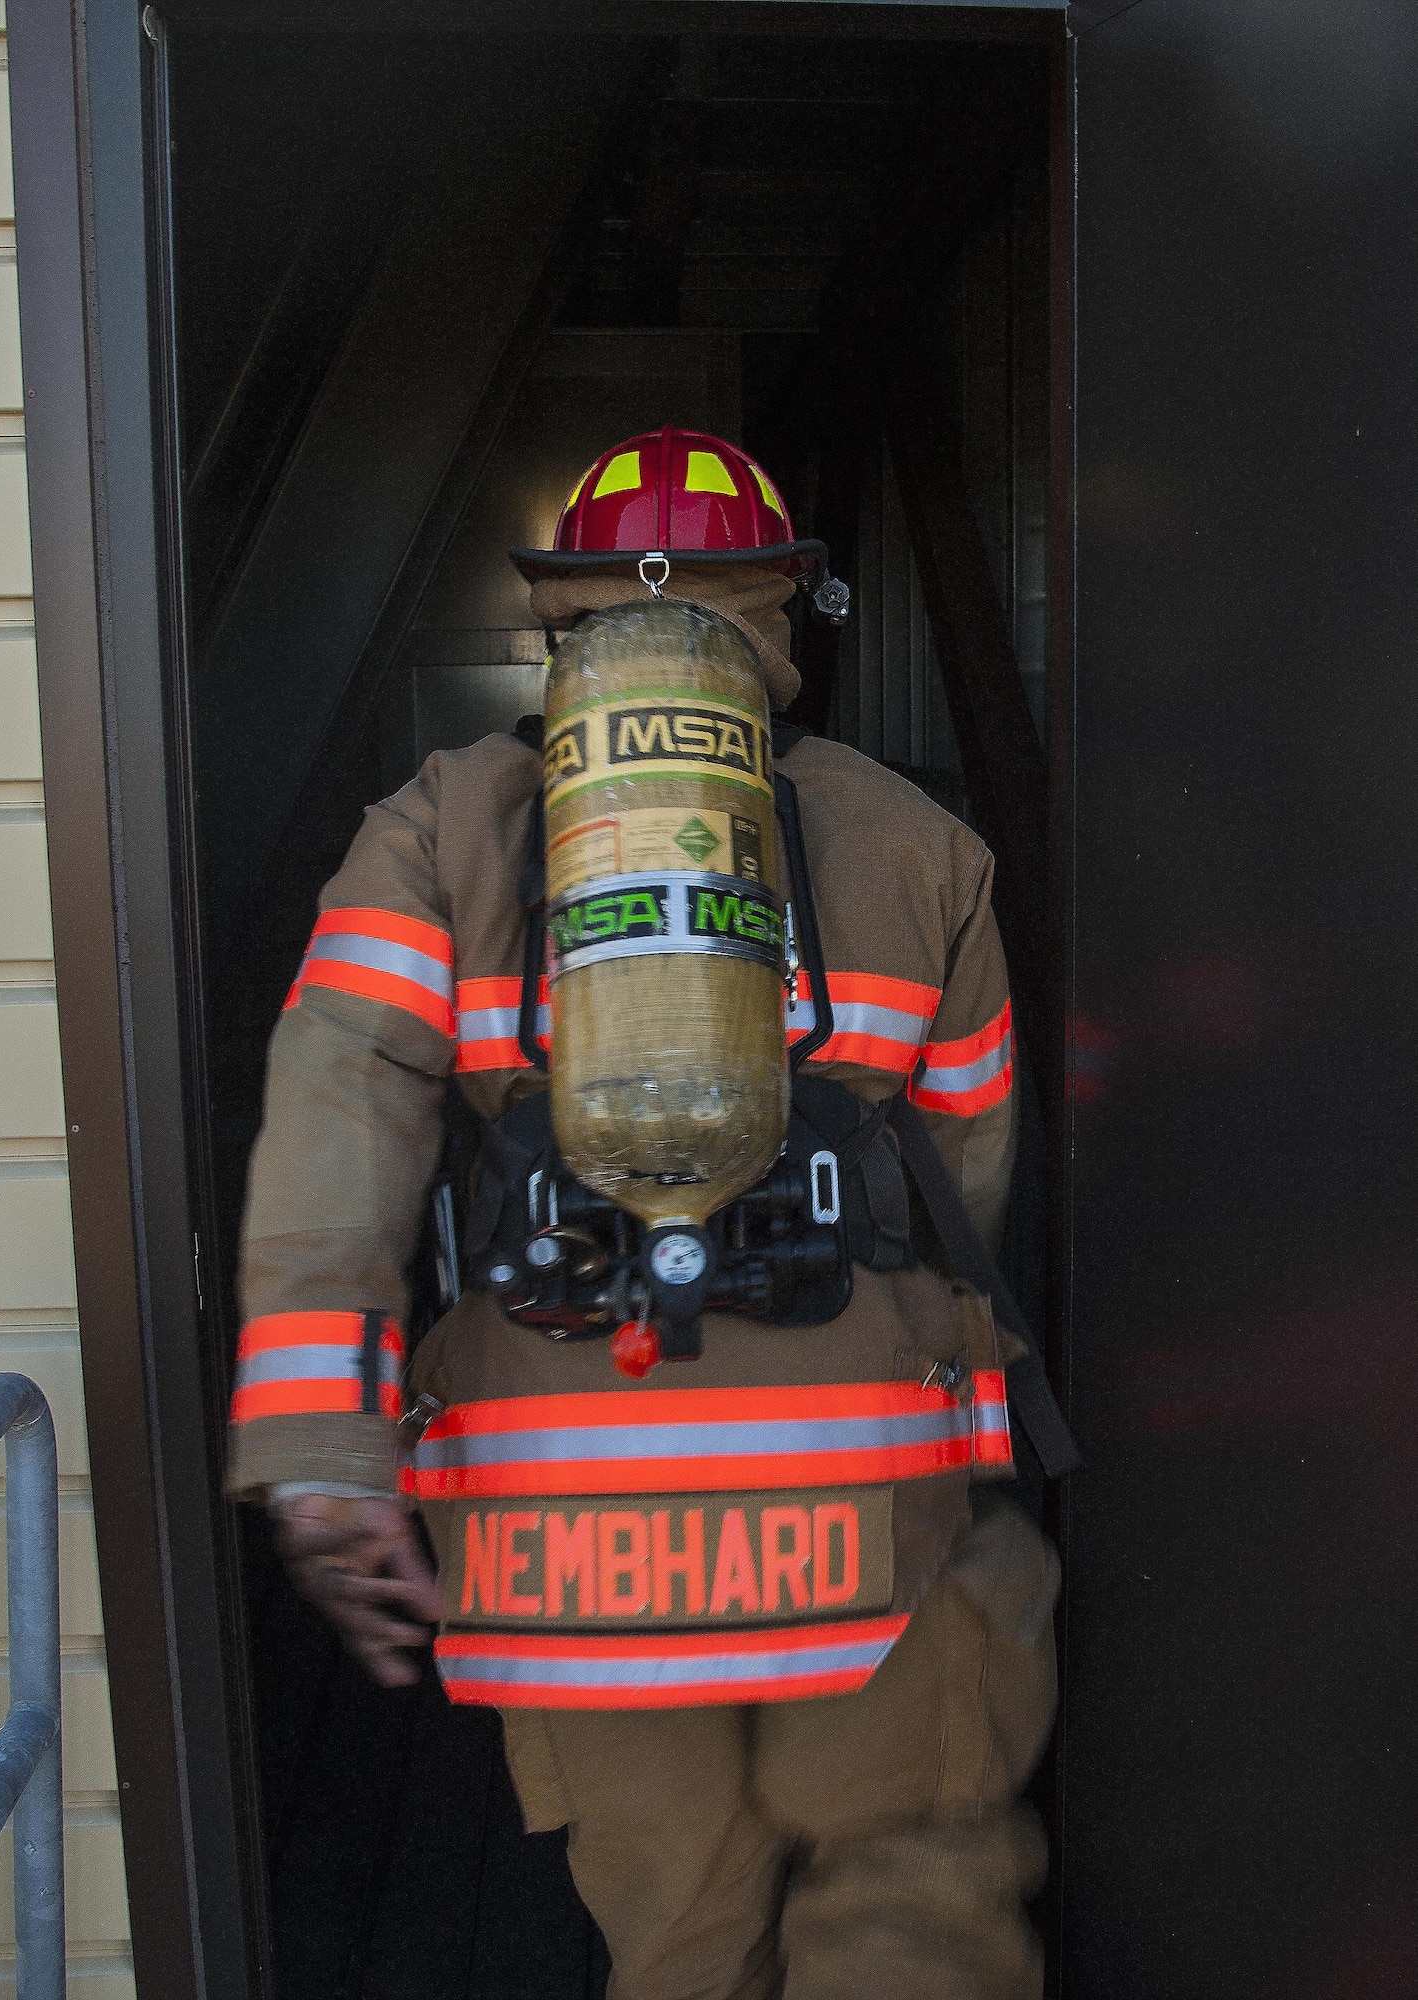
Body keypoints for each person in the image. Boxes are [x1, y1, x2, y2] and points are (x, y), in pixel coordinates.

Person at [228, 427, 1060, 1999]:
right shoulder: (919, 843)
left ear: (563, 621)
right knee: (913, 1910)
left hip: (570, 1551)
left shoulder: (431, 827)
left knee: (674, 1939)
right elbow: (971, 1178)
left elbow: (340, 1126)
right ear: (782, 609)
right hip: (865, 1530)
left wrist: (325, 1454)